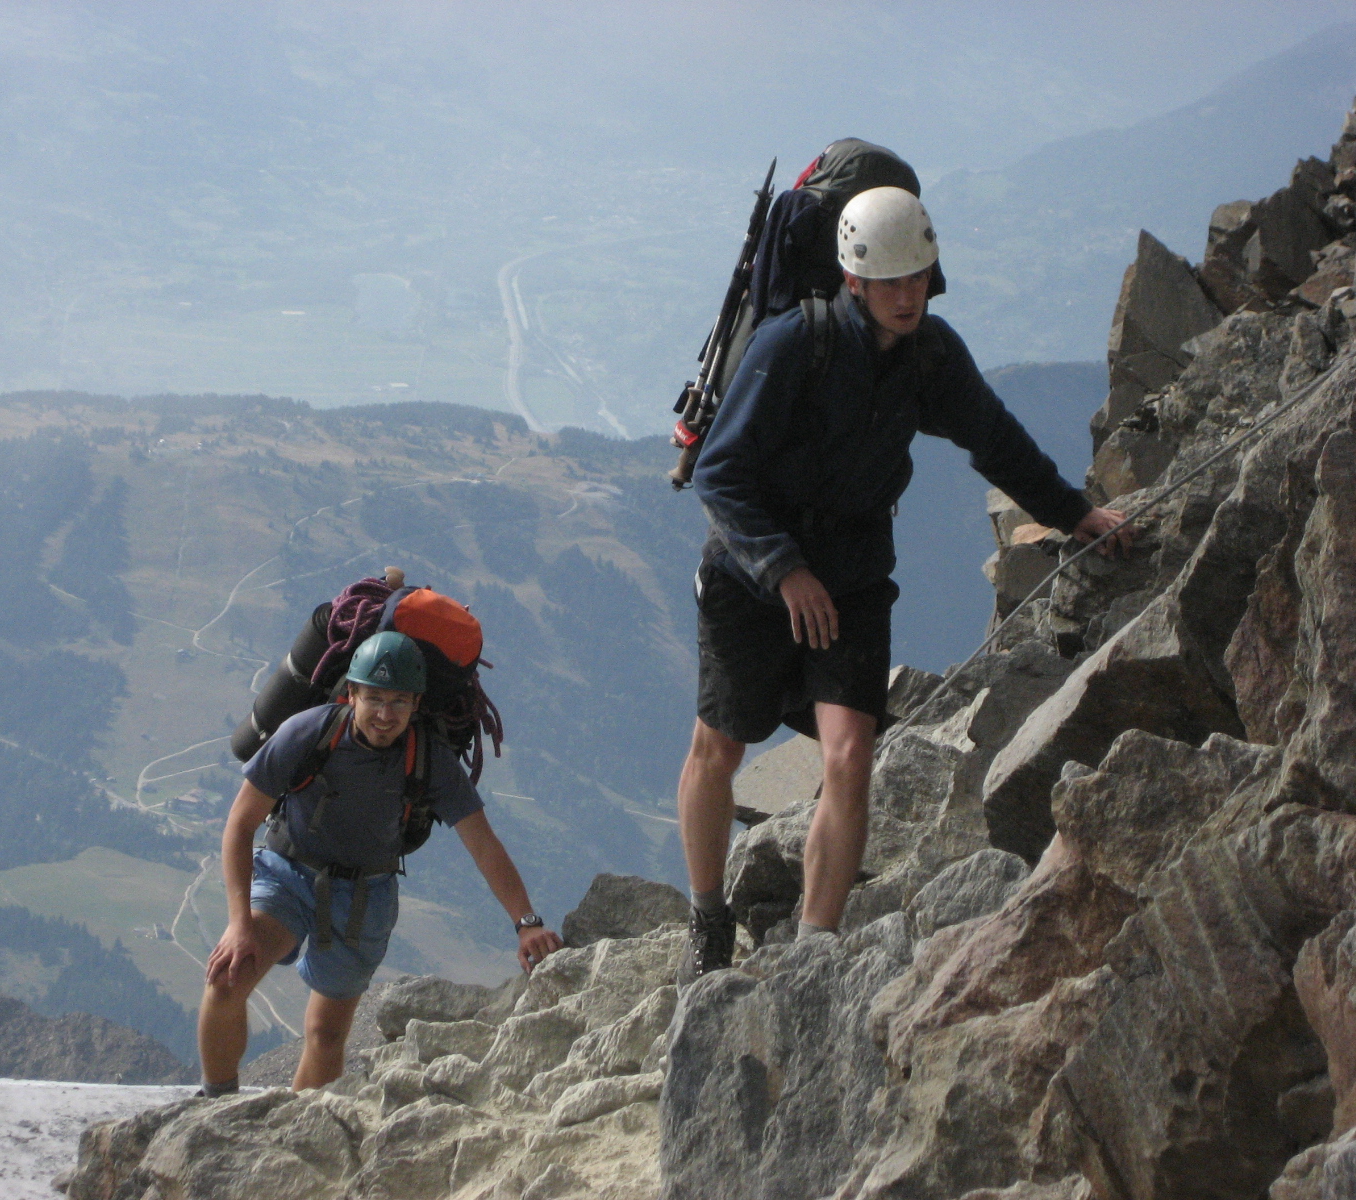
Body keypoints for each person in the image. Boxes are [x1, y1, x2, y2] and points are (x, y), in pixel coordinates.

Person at [676, 186, 1133, 979]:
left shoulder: (931, 357)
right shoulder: (794, 345)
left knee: (851, 754)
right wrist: (785, 571)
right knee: (720, 744)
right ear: (853, 279)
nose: (908, 294)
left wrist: (1073, 514)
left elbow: (995, 439)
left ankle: (813, 954)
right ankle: (709, 917)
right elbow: (719, 472)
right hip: (751, 578)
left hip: (852, 576)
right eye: (891, 280)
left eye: (918, 276)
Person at [197, 630, 563, 1094]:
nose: (386, 715)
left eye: (398, 702)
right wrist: (238, 924)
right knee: (227, 979)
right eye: (374, 699)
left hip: (365, 898)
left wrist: (526, 923)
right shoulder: (308, 733)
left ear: (415, 704)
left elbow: (484, 844)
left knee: (327, 1034)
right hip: (288, 872)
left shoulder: (429, 758)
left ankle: (297, 1126)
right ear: (351, 694)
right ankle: (216, 1108)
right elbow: (239, 825)